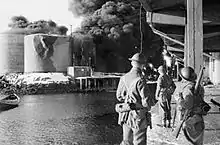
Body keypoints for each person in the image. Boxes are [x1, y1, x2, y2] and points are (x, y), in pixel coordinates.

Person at [116, 53, 156, 145]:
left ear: (132, 63)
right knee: (139, 141)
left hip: (125, 114)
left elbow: (119, 96)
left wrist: (128, 100)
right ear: (143, 65)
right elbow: (146, 102)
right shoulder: (141, 80)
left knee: (126, 141)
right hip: (138, 116)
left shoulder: (123, 78)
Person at [174, 67, 209, 145]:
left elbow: (188, 105)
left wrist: (178, 99)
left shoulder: (188, 89)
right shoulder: (198, 87)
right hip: (198, 119)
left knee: (190, 142)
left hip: (190, 121)